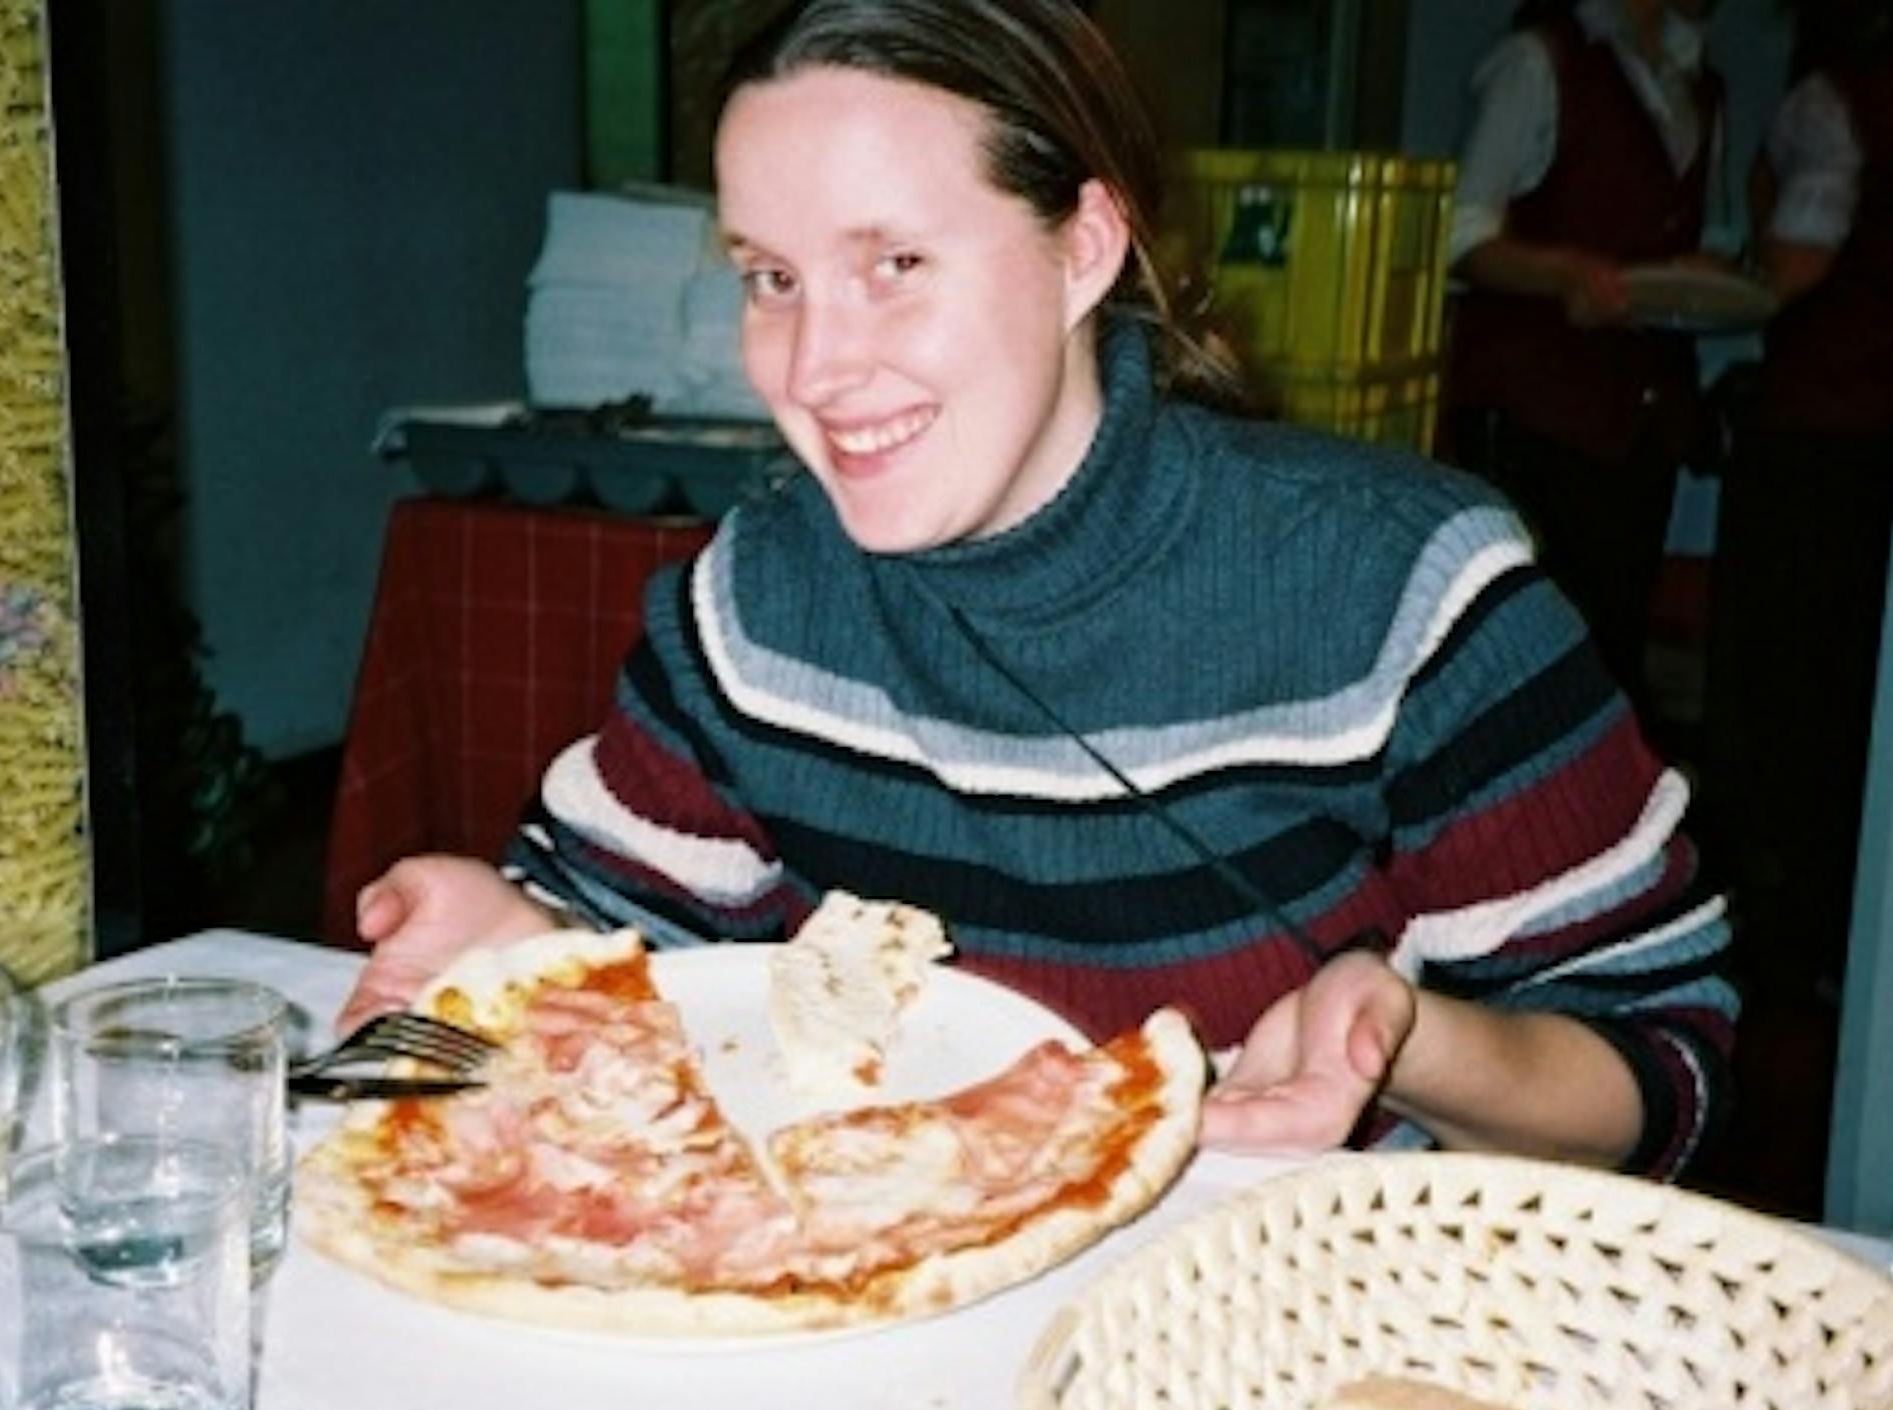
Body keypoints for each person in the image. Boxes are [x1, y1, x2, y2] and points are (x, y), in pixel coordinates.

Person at [343, 0, 1736, 1179]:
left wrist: (1414, 1039)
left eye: (893, 264)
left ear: (1085, 245)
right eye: (771, 278)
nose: (813, 368)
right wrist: (511, 943)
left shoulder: (1405, 593)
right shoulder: (757, 605)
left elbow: (1659, 1057)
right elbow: (620, 937)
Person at [1705, 1, 1893, 1001]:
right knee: (1850, 682)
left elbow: (1793, 269)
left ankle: (1775, 930)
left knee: (1780, 683)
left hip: (1815, 432)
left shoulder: (1829, 103)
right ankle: (1826, 929)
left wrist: (1730, 264)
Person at [1442, 0, 1732, 724]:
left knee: (1609, 640)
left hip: (1641, 414)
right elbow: (1459, 235)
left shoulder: (1697, 79)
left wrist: (1684, 270)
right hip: (1535, 409)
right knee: (1524, 651)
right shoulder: (1540, 61)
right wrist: (1564, 274)